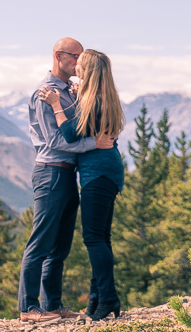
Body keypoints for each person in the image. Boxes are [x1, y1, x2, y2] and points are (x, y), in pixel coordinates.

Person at [17, 38, 114, 323]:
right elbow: (57, 140)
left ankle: (52, 304)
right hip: (50, 171)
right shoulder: (44, 93)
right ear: (59, 56)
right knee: (41, 241)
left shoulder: (69, 91)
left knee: (60, 245)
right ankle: (28, 308)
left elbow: (74, 127)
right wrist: (94, 144)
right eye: (75, 57)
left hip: (68, 173)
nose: (79, 63)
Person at [39, 48, 125, 321]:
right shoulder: (102, 98)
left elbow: (68, 133)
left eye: (80, 64)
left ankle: (108, 298)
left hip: (97, 174)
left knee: (93, 239)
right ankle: (97, 300)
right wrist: (78, 99)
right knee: (102, 238)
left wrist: (56, 105)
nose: (76, 67)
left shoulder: (94, 101)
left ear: (87, 71)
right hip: (108, 171)